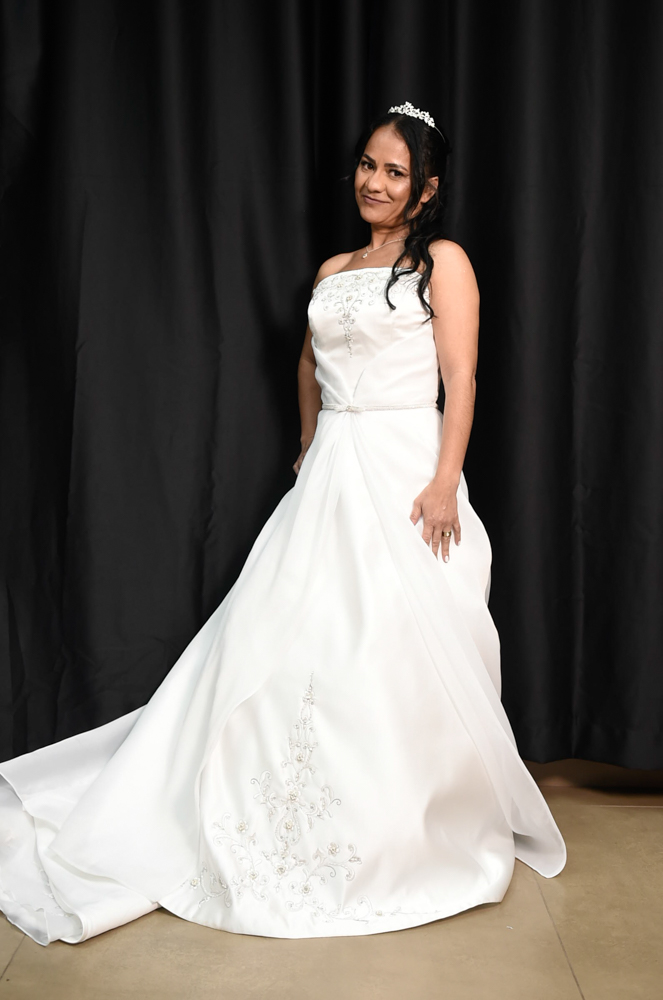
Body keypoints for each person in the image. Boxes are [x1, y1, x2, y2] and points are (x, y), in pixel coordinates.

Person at [0, 101, 566, 946]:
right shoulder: (334, 266)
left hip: (406, 469)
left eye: (395, 172)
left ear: (425, 190)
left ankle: (402, 829)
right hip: (333, 467)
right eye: (367, 165)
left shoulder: (442, 262)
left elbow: (462, 375)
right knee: (291, 634)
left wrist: (446, 478)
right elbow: (308, 359)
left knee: (392, 640)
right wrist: (310, 441)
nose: (374, 182)